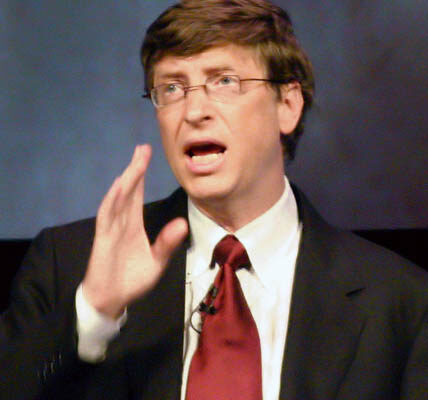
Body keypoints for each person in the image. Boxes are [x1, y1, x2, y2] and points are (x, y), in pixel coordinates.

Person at [1, 1, 427, 399]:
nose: (193, 111)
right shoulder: (68, 264)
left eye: (224, 81)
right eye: (172, 87)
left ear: (287, 104)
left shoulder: (400, 299)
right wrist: (94, 315)